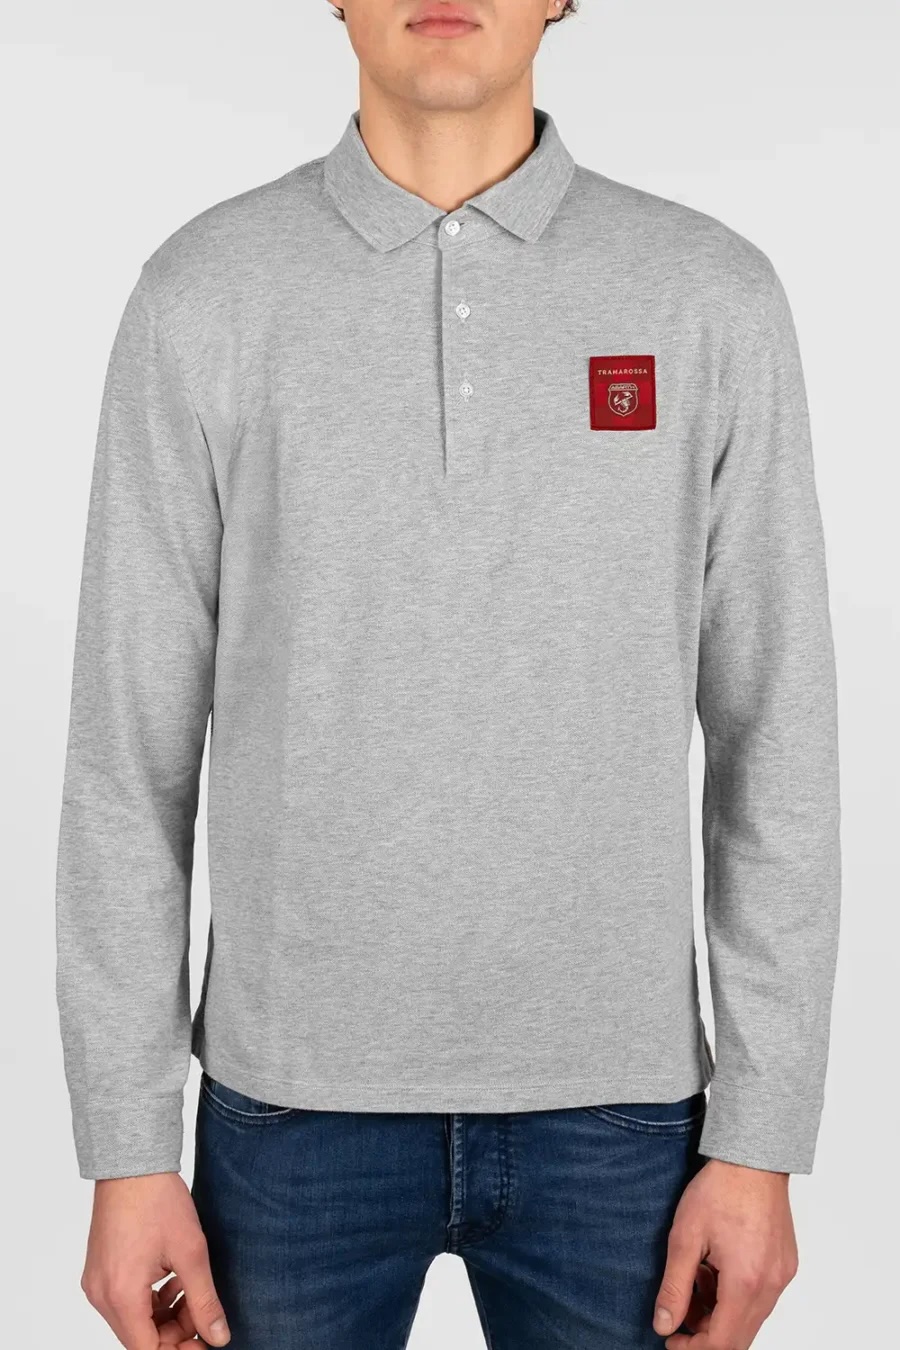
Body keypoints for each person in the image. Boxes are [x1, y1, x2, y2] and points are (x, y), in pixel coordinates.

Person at [55, 1, 841, 1347]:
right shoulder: (204, 294)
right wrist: (126, 1150)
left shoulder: (710, 295)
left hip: (623, 1118)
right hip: (286, 1114)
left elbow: (782, 741)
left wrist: (763, 1134)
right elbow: (128, 759)